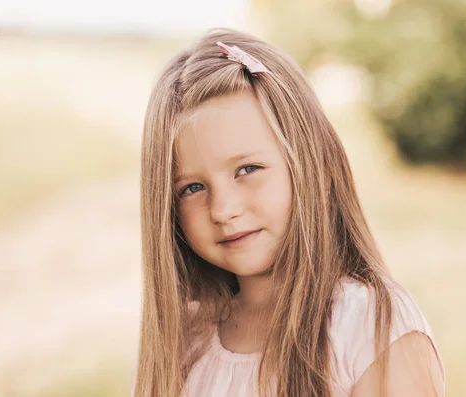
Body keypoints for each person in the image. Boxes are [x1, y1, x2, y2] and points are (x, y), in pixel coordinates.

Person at [133, 28, 446, 397]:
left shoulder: (367, 326)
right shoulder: (189, 338)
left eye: (247, 170)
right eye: (192, 188)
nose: (223, 209)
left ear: (308, 162)